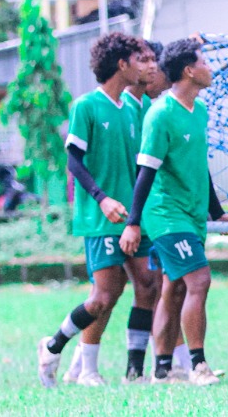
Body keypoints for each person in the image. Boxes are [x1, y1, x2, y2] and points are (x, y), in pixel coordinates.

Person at [36, 32, 158, 388]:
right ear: (121, 64)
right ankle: (56, 347)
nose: (143, 68)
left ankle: (132, 370)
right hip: (100, 217)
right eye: (137, 61)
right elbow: (73, 161)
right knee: (104, 295)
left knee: (147, 285)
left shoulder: (134, 109)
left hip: (131, 218)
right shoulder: (86, 106)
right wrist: (102, 198)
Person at [120, 38, 228, 385]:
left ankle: (162, 369)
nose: (209, 68)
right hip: (166, 215)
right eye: (204, 62)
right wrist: (133, 223)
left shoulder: (199, 111)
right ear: (189, 71)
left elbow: (199, 166)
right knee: (199, 280)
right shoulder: (160, 115)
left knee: (173, 288)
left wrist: (216, 211)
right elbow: (145, 172)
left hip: (191, 214)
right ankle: (198, 365)